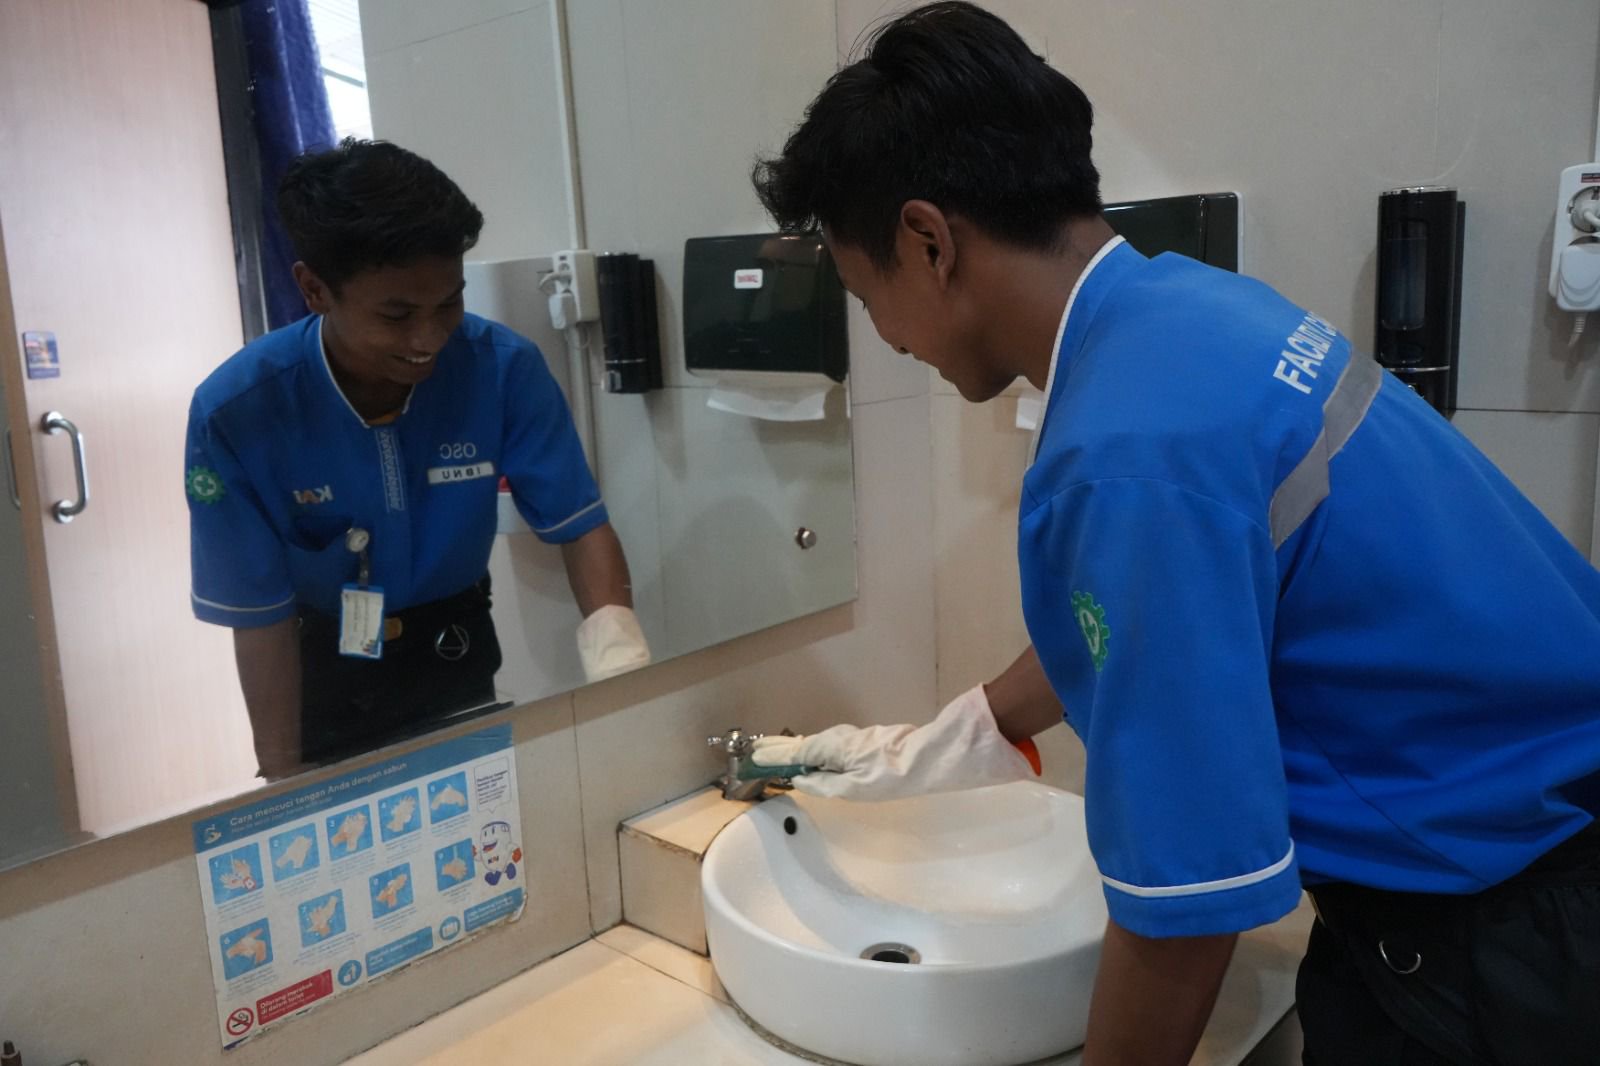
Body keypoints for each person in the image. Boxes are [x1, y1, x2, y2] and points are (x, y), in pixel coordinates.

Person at [746, 4, 1600, 1063]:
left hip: (1508, 939)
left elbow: (1184, 910)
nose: (884, 335)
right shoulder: (1193, 316)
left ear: (927, 242)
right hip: (1539, 849)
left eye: (863, 292)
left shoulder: (1124, 455)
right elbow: (1158, 617)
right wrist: (951, 740)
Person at [187, 139, 649, 781]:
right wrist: (281, 777)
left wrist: (625, 679)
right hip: (319, 666)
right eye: (397, 314)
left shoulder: (501, 369)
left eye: (449, 303)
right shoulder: (238, 412)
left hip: (454, 645)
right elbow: (259, 617)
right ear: (315, 289)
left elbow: (580, 524)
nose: (428, 338)